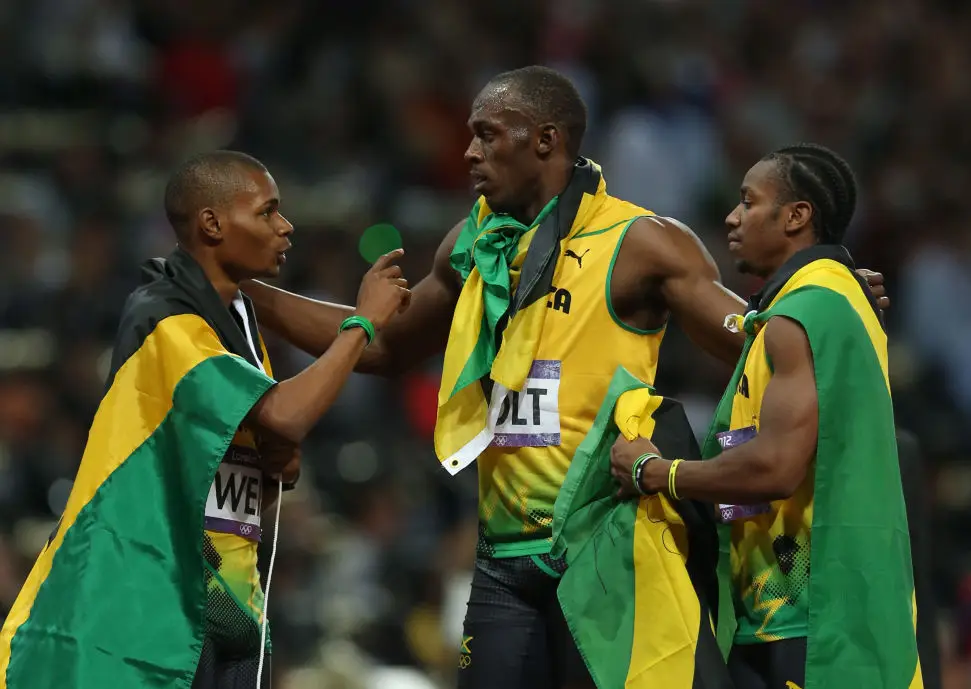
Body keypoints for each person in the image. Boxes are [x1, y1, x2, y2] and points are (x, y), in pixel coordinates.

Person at [243, 68, 888, 689]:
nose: (468, 152)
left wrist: (822, 304)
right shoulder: (474, 244)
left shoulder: (640, 242)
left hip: (604, 544)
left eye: (488, 134)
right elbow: (382, 345)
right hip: (502, 557)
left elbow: (753, 342)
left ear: (545, 140)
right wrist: (245, 293)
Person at [0, 150, 411, 689]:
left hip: (226, 601)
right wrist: (363, 322)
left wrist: (268, 467)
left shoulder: (236, 321)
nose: (285, 227)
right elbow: (287, 413)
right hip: (149, 601)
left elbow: (238, 479)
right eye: (267, 212)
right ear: (212, 223)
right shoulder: (166, 316)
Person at [611, 144, 920, 689]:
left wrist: (658, 472)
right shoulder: (812, 304)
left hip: (813, 621)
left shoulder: (807, 309)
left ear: (796, 216)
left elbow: (775, 467)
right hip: (786, 611)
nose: (732, 217)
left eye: (749, 202)